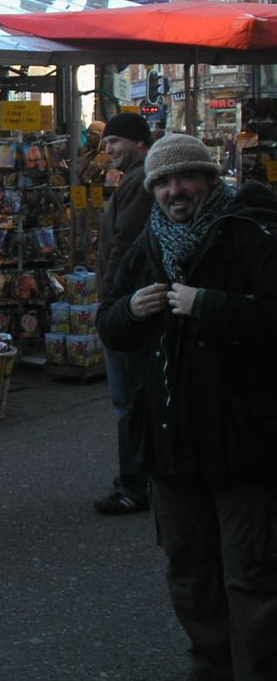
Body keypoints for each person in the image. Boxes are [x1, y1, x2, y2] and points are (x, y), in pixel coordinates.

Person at [96, 133, 277, 680]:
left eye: (186, 178)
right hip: (170, 440)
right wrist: (130, 310)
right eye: (163, 183)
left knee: (252, 574)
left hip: (244, 439)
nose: (174, 191)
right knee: (190, 571)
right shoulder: (148, 243)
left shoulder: (248, 233)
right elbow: (110, 324)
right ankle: (211, 667)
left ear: (209, 179)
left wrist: (212, 306)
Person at [92, 112, 154, 516]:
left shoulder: (139, 182)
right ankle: (143, 479)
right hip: (130, 300)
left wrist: (109, 300)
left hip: (125, 304)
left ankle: (134, 484)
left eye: (115, 141)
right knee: (133, 397)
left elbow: (124, 243)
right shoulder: (134, 178)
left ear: (138, 142)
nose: (109, 149)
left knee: (128, 399)